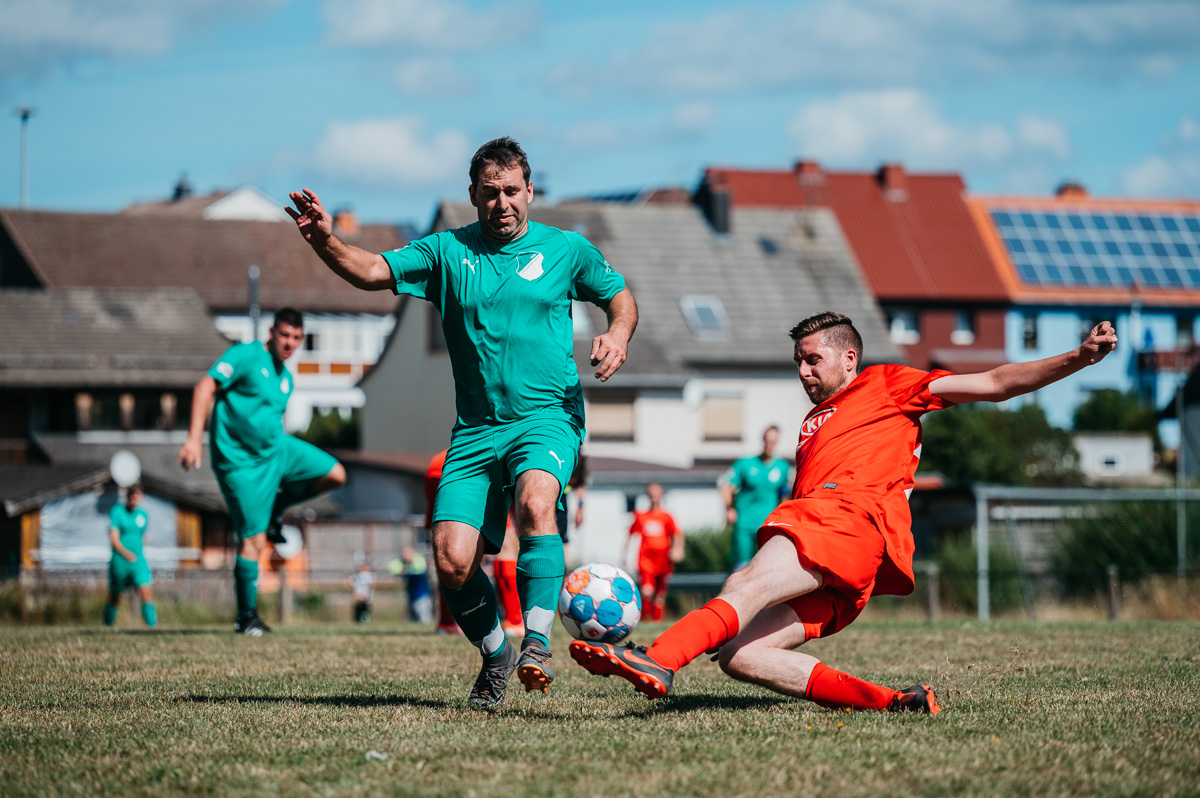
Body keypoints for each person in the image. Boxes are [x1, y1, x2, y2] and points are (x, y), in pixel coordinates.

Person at [571, 311, 1118, 715]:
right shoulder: (815, 427)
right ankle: (892, 703)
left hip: (845, 520)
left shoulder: (887, 384)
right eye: (798, 363)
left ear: (848, 358)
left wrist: (1078, 357)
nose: (804, 372)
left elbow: (995, 383)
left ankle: (661, 658)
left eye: (814, 359)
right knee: (742, 653)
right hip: (848, 566)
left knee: (748, 580)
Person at [286, 137, 637, 710]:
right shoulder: (448, 252)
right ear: (472, 194)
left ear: (530, 191)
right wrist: (325, 240)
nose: (502, 203)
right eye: (490, 192)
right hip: (475, 431)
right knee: (450, 558)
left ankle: (537, 643)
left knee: (535, 503)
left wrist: (617, 333)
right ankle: (497, 652)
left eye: (513, 191)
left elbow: (619, 297)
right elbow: (371, 270)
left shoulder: (566, 250)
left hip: (547, 416)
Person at [178, 308, 347, 636]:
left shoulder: (286, 378)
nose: (289, 343)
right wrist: (193, 439)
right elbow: (204, 387)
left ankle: (276, 511)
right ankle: (247, 617)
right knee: (253, 542)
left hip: (278, 452)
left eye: (296, 338)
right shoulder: (245, 355)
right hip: (241, 465)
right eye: (285, 335)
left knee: (336, 474)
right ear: (271, 333)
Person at [721, 426, 790, 570]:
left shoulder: (782, 466)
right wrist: (729, 509)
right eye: (767, 439)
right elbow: (726, 486)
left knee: (768, 567)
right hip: (745, 523)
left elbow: (784, 495)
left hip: (768, 524)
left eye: (773, 440)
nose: (770, 443)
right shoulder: (745, 463)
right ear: (763, 439)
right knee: (741, 567)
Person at [624, 482, 685, 622]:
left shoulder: (667, 516)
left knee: (660, 596)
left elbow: (677, 535)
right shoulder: (641, 516)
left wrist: (678, 549)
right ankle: (645, 619)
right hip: (646, 559)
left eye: (656, 494)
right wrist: (625, 555)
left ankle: (657, 622)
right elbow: (630, 535)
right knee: (647, 591)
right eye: (651, 494)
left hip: (663, 560)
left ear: (661, 495)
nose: (654, 497)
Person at [103, 483, 157, 628]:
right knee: (115, 596)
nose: (134, 499)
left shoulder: (143, 514)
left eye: (136, 496)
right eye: (131, 496)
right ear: (127, 497)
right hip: (120, 561)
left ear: (140, 497)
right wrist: (127, 554)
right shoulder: (117, 511)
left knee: (146, 591)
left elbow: (143, 536)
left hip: (138, 561)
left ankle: (152, 626)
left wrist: (140, 553)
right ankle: (108, 624)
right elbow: (113, 538)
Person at [423, 449, 462, 635]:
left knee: (446, 546)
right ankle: (514, 620)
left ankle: (446, 622)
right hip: (472, 463)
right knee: (506, 538)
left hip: (438, 464)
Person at [388, 546, 435, 624]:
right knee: (412, 621)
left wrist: (405, 571)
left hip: (422, 597)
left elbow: (419, 570)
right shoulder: (404, 563)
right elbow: (391, 568)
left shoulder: (419, 561)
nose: (405, 556)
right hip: (411, 597)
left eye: (407, 554)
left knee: (424, 620)